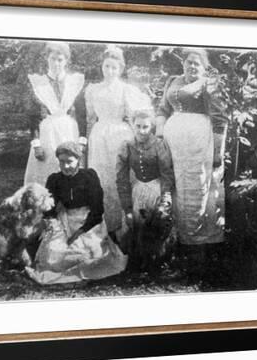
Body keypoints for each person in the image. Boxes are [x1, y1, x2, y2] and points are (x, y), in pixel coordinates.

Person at [155, 48, 228, 280]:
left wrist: (218, 150)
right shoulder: (172, 81)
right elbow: (163, 109)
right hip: (174, 146)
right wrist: (159, 137)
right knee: (175, 189)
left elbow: (220, 119)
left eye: (197, 63)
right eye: (188, 62)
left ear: (204, 67)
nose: (192, 66)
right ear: (183, 63)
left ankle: (199, 256)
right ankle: (178, 250)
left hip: (199, 145)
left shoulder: (210, 84)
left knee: (197, 191)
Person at [25, 141, 127, 285]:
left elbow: (97, 210)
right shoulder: (54, 179)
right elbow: (49, 209)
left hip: (89, 222)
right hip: (65, 220)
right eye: (62, 162)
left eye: (70, 162)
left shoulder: (89, 177)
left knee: (89, 254)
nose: (65, 166)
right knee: (55, 254)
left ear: (78, 160)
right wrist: (55, 224)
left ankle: (86, 270)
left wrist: (79, 232)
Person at [85, 46, 153, 239]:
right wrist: (87, 142)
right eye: (107, 67)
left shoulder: (126, 90)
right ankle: (104, 228)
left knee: (119, 180)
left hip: (119, 136)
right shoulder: (93, 90)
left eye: (114, 68)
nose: (110, 71)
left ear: (120, 69)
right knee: (100, 181)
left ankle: (125, 229)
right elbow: (90, 118)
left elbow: (137, 117)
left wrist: (138, 144)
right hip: (99, 137)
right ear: (102, 67)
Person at [24, 41, 87, 186]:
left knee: (71, 169)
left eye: (60, 60)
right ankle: (46, 205)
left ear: (66, 61)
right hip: (47, 133)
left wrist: (82, 142)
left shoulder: (74, 82)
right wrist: (36, 144)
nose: (56, 63)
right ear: (47, 58)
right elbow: (32, 117)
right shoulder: (38, 82)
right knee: (48, 169)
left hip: (70, 131)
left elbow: (82, 113)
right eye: (53, 59)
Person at [116, 110, 174, 257]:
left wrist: (165, 201)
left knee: (157, 224)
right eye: (138, 126)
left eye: (146, 127)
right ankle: (138, 260)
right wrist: (127, 209)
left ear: (152, 127)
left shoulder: (159, 145)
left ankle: (157, 260)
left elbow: (167, 175)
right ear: (132, 125)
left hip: (156, 189)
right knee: (135, 224)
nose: (141, 131)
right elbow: (121, 179)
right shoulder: (127, 146)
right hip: (138, 190)